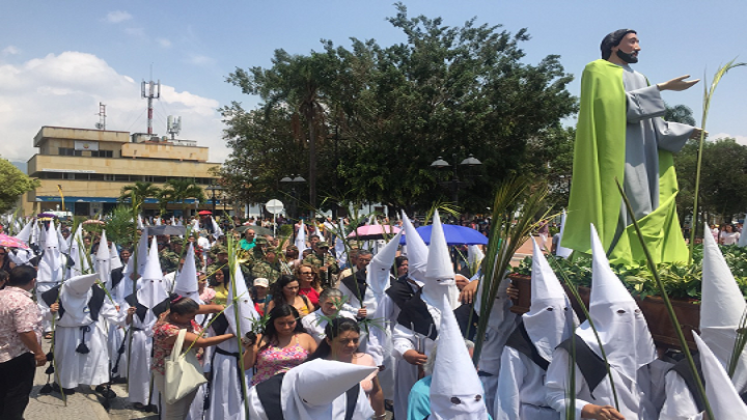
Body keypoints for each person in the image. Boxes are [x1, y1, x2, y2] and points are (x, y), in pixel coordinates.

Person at [563, 29, 704, 265]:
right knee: (621, 204)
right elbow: (610, 107)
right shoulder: (596, 69)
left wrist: (685, 131)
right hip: (616, 153)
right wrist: (661, 88)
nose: (638, 47)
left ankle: (644, 262)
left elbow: (652, 123)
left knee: (646, 205)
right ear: (615, 46)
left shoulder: (640, 77)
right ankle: (614, 259)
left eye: (638, 41)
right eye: (632, 41)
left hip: (644, 156)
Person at [545, 226, 655, 420]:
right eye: (621, 313)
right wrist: (589, 410)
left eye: (635, 313)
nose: (629, 319)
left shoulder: (641, 350)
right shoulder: (577, 350)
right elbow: (555, 394)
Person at [151, 294, 234, 420]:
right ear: (176, 316)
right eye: (190, 317)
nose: (194, 318)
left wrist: (220, 308)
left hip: (188, 368)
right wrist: (233, 334)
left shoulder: (174, 311)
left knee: (184, 409)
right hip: (170, 372)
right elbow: (203, 342)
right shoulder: (168, 329)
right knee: (175, 412)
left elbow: (199, 309)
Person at [307, 318, 386, 419]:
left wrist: (381, 415)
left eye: (355, 340)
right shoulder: (318, 367)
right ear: (329, 341)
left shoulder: (366, 360)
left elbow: (376, 391)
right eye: (344, 341)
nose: (351, 345)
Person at [0, 266, 45, 420]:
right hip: (17, 356)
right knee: (16, 395)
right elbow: (25, 331)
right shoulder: (24, 303)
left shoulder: (1, 295)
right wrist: (39, 353)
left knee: (3, 392)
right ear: (32, 281)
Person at [243, 304, 317, 386]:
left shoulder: (306, 338)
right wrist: (250, 349)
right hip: (265, 389)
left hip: (296, 388)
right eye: (281, 323)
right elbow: (244, 366)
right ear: (272, 322)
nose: (286, 327)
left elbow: (318, 363)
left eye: (291, 323)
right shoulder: (261, 339)